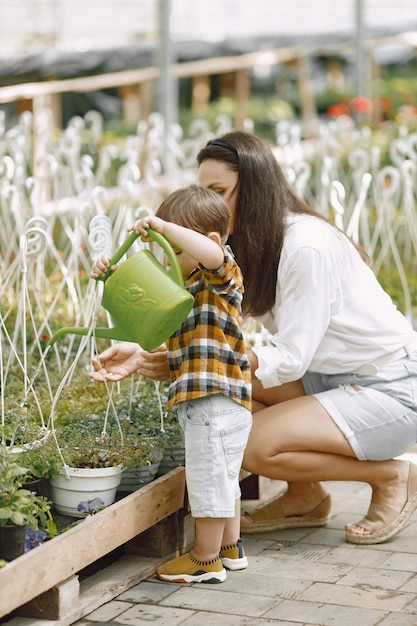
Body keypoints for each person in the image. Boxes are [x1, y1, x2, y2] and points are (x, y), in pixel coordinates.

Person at [90, 130, 417, 546]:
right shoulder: (245, 246)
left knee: (251, 442)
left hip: (390, 389)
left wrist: (188, 360)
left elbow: (291, 358)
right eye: (201, 189)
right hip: (331, 379)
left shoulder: (306, 246)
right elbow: (206, 322)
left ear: (256, 190)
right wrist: (146, 350)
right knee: (229, 394)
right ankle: (305, 494)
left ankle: (391, 476)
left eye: (220, 190)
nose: (207, 202)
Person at [90, 184, 252, 583]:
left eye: (173, 249)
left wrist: (163, 225)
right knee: (222, 478)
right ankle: (230, 549)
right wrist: (111, 275)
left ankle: (204, 561)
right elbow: (152, 318)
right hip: (213, 401)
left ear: (208, 242)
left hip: (213, 400)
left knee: (207, 482)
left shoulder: (221, 274)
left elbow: (212, 253)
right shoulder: (189, 288)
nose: (167, 258)